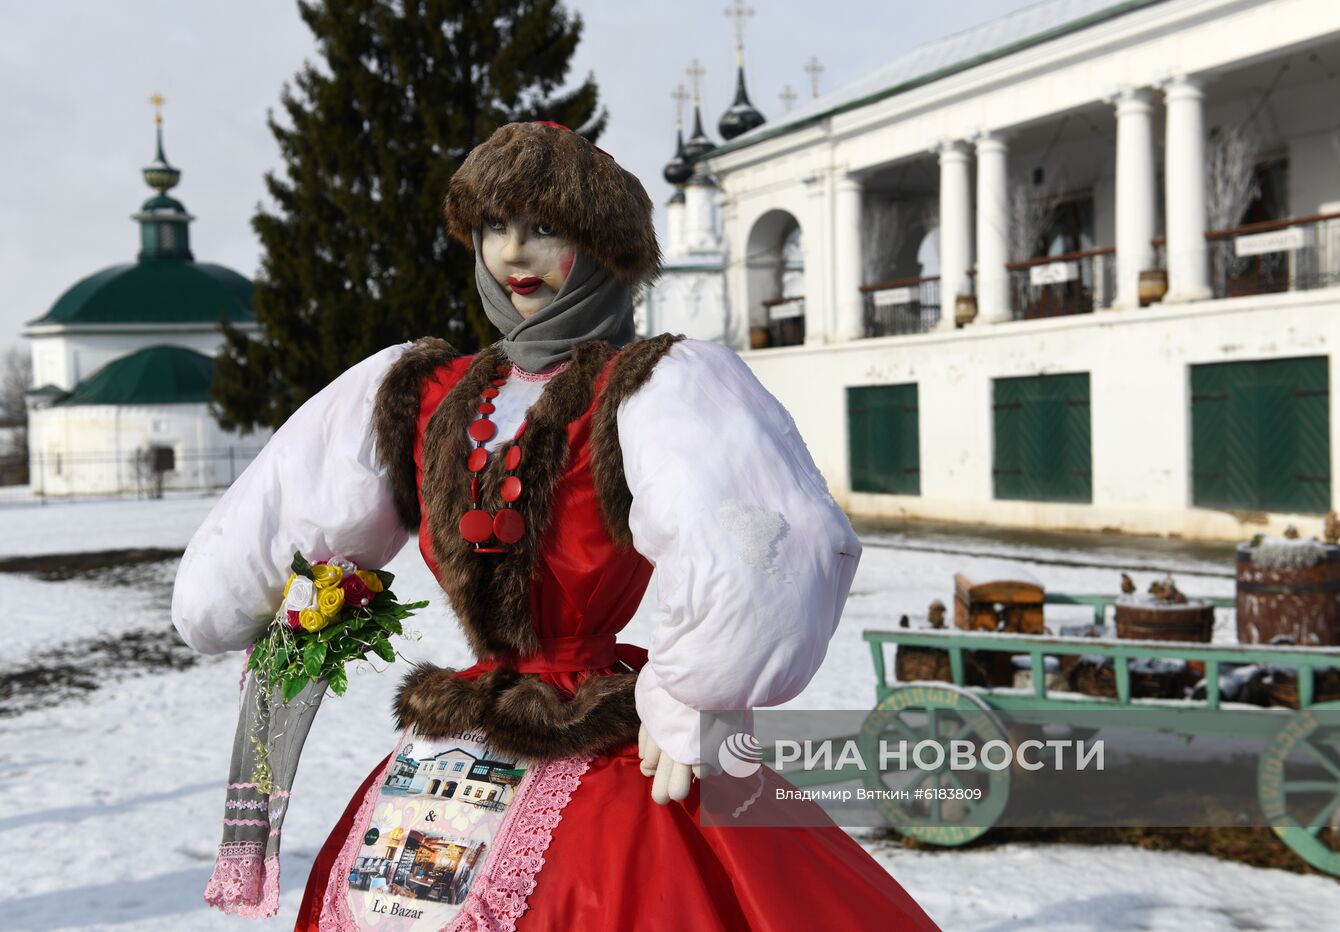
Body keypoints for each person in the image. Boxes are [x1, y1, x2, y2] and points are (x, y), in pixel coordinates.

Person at [173, 120, 938, 931]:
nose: (514, 253)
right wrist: (245, 607)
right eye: (495, 228)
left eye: (545, 229)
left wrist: (698, 692)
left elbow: (763, 536)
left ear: (603, 246)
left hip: (611, 740)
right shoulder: (422, 391)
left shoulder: (654, 385)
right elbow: (292, 517)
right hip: (453, 743)